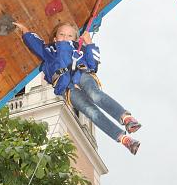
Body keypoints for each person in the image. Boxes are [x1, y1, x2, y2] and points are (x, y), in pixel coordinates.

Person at [14, 21, 141, 155]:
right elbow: (35, 44)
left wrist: (89, 43)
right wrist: (25, 30)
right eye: (62, 34)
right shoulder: (49, 50)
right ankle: (124, 139)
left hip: (81, 74)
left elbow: (94, 64)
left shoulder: (80, 48)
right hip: (66, 86)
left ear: (75, 39)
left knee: (94, 94)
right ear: (55, 38)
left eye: (69, 35)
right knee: (91, 112)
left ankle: (125, 117)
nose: (65, 37)